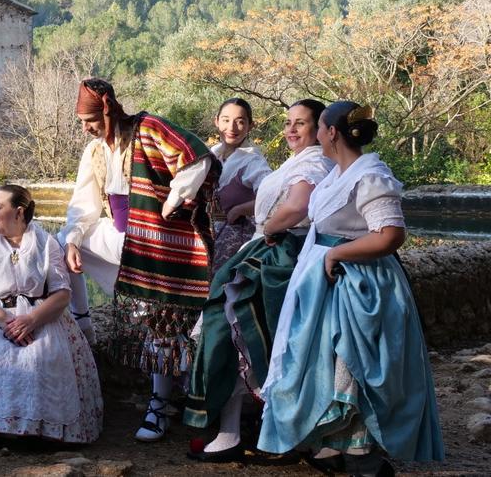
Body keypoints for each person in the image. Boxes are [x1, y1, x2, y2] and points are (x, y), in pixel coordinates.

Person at [258, 101, 443, 475]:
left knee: (352, 371)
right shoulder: (338, 174)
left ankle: (364, 459)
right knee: (322, 367)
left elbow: (390, 236)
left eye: (320, 127)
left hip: (360, 286)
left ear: (331, 133)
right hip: (329, 285)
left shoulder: (371, 175)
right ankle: (335, 449)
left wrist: (336, 254)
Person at [60, 77, 218, 442]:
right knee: (60, 245)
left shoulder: (149, 128)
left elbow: (196, 158)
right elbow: (84, 204)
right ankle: (84, 324)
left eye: (90, 121)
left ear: (108, 109)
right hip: (119, 237)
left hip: (156, 243)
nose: (86, 129)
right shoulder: (96, 151)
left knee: (161, 322)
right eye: (82, 123)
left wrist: (174, 198)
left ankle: (159, 405)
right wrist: (73, 239)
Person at [184, 100, 334, 460]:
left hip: (284, 253)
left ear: (321, 129)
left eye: (302, 123)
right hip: (268, 247)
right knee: (232, 331)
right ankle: (234, 430)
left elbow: (298, 207)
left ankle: (265, 432)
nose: (292, 130)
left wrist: (267, 227)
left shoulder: (313, 162)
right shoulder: (295, 161)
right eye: (288, 123)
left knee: (241, 329)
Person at [0, 185, 103, 443]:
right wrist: (2, 318)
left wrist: (31, 319)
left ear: (19, 212)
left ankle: (44, 429)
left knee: (42, 356)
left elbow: (62, 292)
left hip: (42, 315)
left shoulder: (46, 242)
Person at [208, 98, 271, 272]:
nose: (232, 128)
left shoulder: (253, 162)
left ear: (250, 126)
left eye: (240, 122)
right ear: (217, 121)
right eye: (226, 120)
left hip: (236, 239)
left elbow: (272, 197)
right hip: (208, 233)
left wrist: (240, 209)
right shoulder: (212, 154)